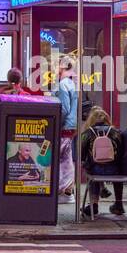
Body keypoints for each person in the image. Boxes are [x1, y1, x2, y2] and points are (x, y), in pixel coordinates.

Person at [78, 106, 123, 218]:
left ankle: (94, 204)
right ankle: (118, 204)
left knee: (91, 173)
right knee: (118, 175)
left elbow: (81, 155)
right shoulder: (116, 132)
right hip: (114, 169)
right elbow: (121, 152)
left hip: (95, 169)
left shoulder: (88, 133)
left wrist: (86, 163)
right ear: (107, 119)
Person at [54, 56, 79, 197]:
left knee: (60, 157)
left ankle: (63, 188)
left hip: (64, 126)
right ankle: (68, 187)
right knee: (67, 157)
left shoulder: (63, 84)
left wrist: (55, 122)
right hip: (71, 125)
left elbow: (64, 108)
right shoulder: (71, 83)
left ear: (62, 67)